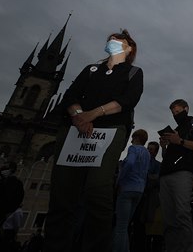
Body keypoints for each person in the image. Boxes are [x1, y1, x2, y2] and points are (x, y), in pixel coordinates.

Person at [44, 29, 144, 252]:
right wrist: (80, 116)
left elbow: (127, 100)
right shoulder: (90, 70)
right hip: (76, 130)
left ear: (129, 49)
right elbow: (71, 95)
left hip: (109, 131)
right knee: (62, 193)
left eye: (120, 41)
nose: (113, 42)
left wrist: (94, 113)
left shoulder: (133, 72)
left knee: (98, 189)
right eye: (111, 39)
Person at [158, 99, 193, 252]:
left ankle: (187, 249)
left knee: (182, 213)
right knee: (168, 219)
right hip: (165, 174)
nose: (175, 115)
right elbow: (168, 155)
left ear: (186, 109)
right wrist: (164, 146)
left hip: (182, 173)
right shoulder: (174, 129)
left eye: (178, 111)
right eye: (173, 113)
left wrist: (179, 140)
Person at [113, 129, 150, 252]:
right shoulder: (147, 153)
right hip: (139, 190)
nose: (131, 140)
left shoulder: (133, 148)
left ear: (136, 138)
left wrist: (120, 181)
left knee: (120, 227)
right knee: (125, 225)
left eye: (133, 137)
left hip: (127, 188)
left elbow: (129, 163)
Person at [140, 141, 163, 252]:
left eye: (151, 149)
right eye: (148, 148)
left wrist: (144, 177)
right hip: (140, 197)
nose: (148, 150)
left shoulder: (158, 165)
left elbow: (158, 180)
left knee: (150, 230)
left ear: (155, 152)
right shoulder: (140, 162)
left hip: (151, 201)